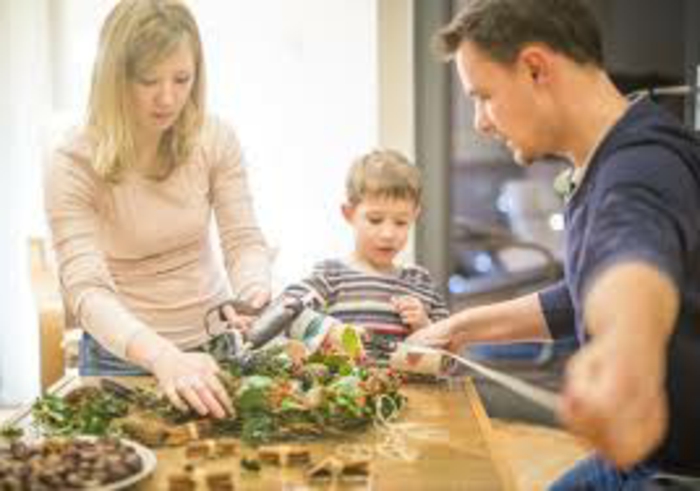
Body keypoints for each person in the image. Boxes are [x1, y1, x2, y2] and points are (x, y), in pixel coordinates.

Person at [408, 0, 700, 487]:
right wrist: (462, 328)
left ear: (536, 68)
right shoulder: (613, 154)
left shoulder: (640, 169)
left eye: (483, 95)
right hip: (641, 458)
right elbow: (583, 292)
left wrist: (627, 352)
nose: (480, 121)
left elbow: (632, 262)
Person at [44, 0, 272, 420]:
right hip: (120, 357)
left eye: (182, 79)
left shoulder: (215, 137)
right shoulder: (72, 160)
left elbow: (243, 242)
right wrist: (164, 358)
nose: (168, 98)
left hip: (214, 346)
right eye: (148, 80)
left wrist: (253, 292)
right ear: (114, 78)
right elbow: (86, 291)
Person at [282, 149, 449, 359]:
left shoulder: (421, 282)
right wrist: (331, 331)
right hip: (344, 390)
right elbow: (284, 311)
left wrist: (424, 326)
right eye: (375, 220)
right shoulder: (329, 275)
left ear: (415, 216)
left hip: (412, 391)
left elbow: (448, 357)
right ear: (349, 214)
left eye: (401, 222)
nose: (388, 234)